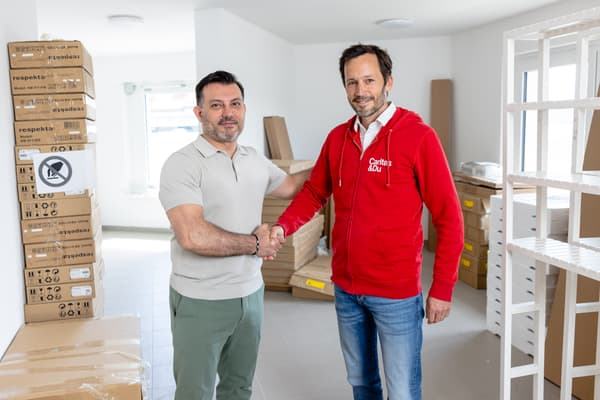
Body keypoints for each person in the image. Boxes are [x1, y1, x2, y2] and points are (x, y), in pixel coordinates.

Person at [270, 44, 464, 400]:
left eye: (369, 80)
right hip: (347, 289)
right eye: (352, 82)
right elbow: (314, 193)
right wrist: (282, 227)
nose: (360, 91)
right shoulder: (337, 139)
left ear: (388, 82)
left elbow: (449, 217)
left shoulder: (419, 137)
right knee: (361, 383)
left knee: (402, 391)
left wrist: (442, 288)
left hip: (396, 293)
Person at [159, 70, 308, 400]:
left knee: (239, 388)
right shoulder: (181, 164)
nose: (228, 113)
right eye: (217, 105)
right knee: (194, 393)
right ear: (199, 112)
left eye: (235, 104)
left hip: (251, 295)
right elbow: (192, 235)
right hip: (200, 300)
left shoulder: (254, 159)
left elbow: (292, 187)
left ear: (244, 109)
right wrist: (255, 244)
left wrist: (337, 158)